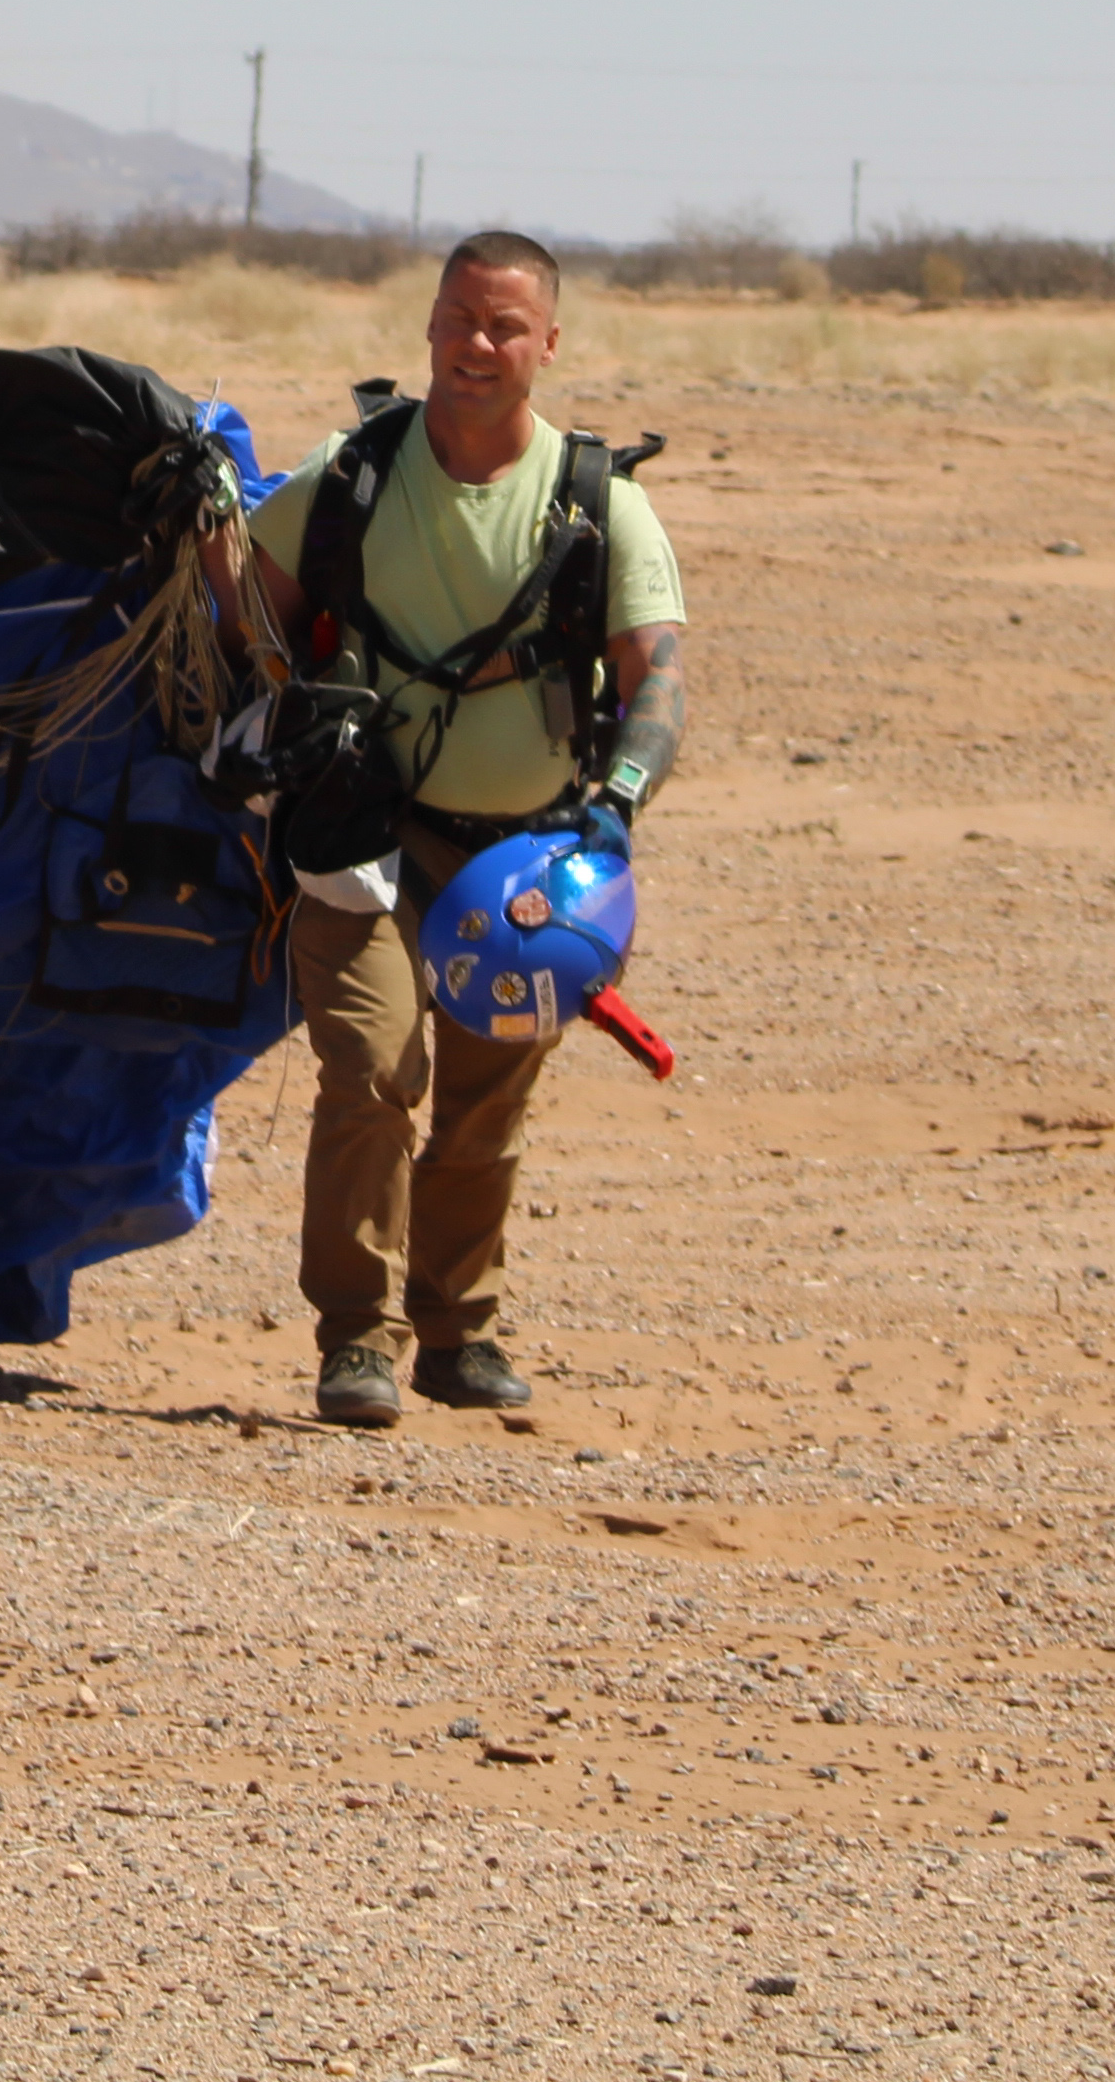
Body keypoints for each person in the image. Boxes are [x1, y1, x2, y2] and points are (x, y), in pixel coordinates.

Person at [241, 229, 689, 1432]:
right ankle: (356, 1340)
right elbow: (246, 618)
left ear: (548, 344)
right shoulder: (350, 476)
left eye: (504, 326)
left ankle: (459, 1331)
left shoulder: (602, 503)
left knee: (486, 1112)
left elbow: (659, 682)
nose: (476, 345)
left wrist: (615, 810)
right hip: (361, 852)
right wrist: (278, 738)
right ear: (429, 327)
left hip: (528, 864)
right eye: (457, 320)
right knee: (375, 1075)